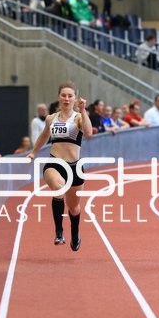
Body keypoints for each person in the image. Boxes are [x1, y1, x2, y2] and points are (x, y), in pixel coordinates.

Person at [27, 81, 93, 251]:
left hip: (74, 167)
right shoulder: (51, 118)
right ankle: (58, 232)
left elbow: (88, 133)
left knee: (74, 207)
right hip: (54, 163)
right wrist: (33, 152)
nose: (66, 98)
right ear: (59, 97)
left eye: (70, 96)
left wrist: (83, 110)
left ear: (75, 98)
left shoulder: (78, 117)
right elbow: (43, 136)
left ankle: (75, 233)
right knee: (59, 188)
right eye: (63, 95)